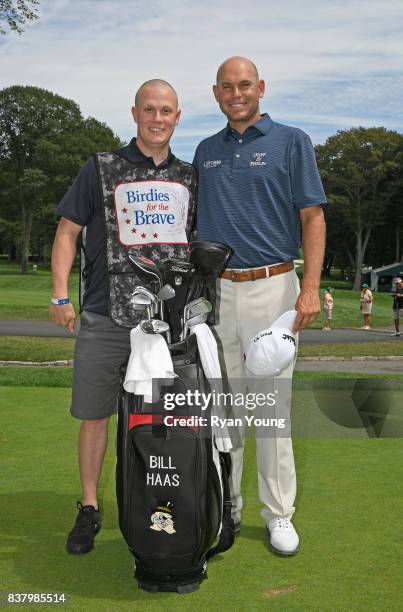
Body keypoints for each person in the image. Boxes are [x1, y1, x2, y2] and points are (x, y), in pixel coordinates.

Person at [49, 80, 196, 554]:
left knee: (162, 420)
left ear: (178, 117)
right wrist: (58, 296)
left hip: (165, 324)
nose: (158, 118)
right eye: (149, 109)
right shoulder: (100, 168)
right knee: (94, 417)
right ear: (135, 113)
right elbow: (68, 231)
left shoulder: (190, 177)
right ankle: (89, 508)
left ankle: (158, 503)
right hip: (103, 315)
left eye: (166, 111)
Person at [193, 56, 326, 555]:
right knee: (224, 410)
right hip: (218, 292)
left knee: (270, 411)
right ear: (216, 92)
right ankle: (228, 507)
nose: (236, 93)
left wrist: (309, 288)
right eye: (226, 86)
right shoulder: (205, 151)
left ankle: (279, 514)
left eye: (244, 84)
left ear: (261, 88)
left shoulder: (292, 141)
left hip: (274, 288)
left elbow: (312, 217)